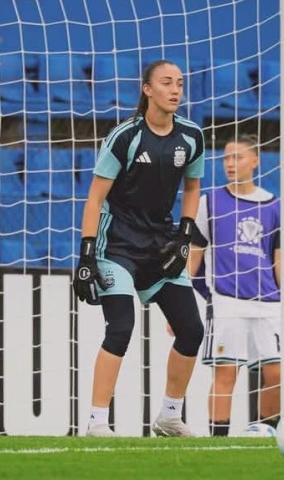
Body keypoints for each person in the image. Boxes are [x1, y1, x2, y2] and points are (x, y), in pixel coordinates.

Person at [72, 59, 206, 438]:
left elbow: (193, 188)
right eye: (166, 83)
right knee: (122, 326)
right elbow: (94, 199)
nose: (176, 90)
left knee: (192, 329)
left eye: (180, 83)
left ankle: (168, 417)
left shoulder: (192, 136)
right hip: (116, 244)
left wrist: (184, 236)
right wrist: (85, 255)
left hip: (160, 243)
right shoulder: (125, 137)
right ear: (147, 90)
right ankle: (97, 422)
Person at [188, 134, 281, 436]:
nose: (230, 163)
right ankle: (218, 442)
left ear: (255, 162)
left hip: (268, 302)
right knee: (226, 372)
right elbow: (194, 253)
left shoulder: (274, 206)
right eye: (226, 157)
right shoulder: (210, 202)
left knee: (276, 373)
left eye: (237, 157)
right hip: (227, 300)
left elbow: (278, 259)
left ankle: (267, 432)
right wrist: (184, 302)